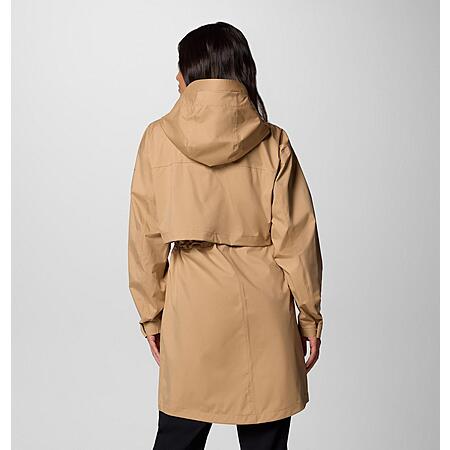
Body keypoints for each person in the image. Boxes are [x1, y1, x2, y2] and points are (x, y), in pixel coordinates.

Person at [128, 21, 323, 450]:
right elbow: (297, 243)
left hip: (191, 312)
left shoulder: (157, 138)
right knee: (265, 439)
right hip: (265, 315)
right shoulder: (274, 142)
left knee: (177, 439)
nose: (175, 77)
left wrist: (152, 316)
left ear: (194, 72)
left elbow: (145, 240)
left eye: (180, 67)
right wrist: (309, 317)